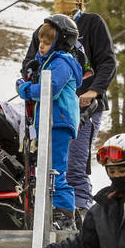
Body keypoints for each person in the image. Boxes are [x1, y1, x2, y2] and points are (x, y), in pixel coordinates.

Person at [22, 0, 118, 226]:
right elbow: (29, 62)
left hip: (82, 105)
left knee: (74, 161)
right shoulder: (44, 30)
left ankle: (81, 211)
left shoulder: (92, 23)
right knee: (48, 163)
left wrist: (94, 91)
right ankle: (53, 212)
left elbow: (107, 61)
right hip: (49, 109)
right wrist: (28, 84)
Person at [16, 14, 84, 230]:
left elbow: (50, 90)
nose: (42, 46)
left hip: (59, 123)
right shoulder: (49, 62)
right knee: (46, 169)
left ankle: (65, 214)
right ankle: (53, 210)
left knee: (55, 169)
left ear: (60, 42)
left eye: (47, 42)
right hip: (48, 124)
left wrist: (24, 89)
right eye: (41, 42)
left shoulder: (62, 62)